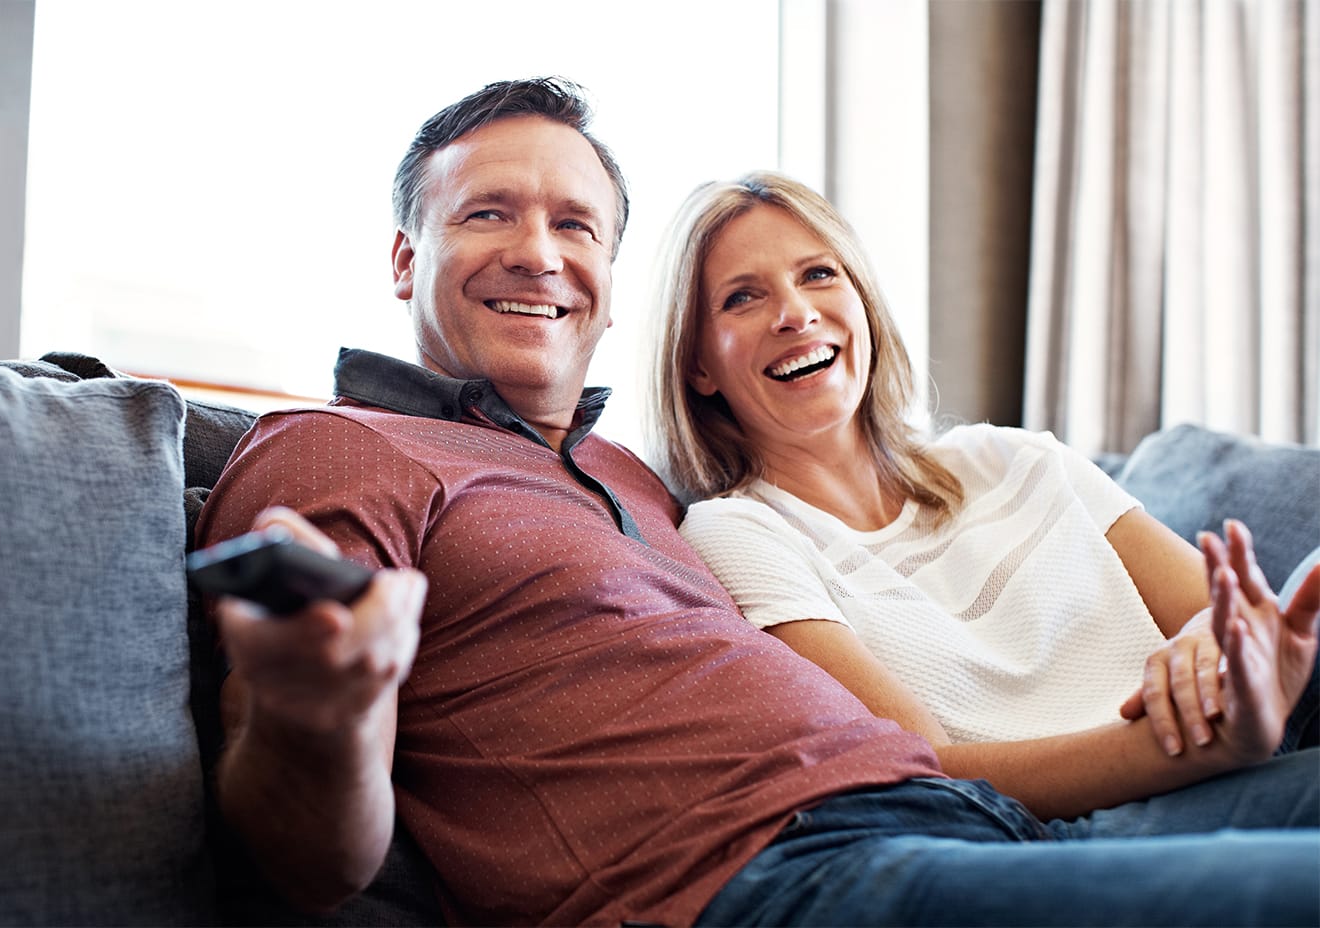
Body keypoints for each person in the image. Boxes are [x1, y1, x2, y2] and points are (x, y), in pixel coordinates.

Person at [197, 79, 1319, 927]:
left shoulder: (636, 484)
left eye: (575, 225)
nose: (538, 255)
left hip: (956, 827)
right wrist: (322, 715)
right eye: (488, 215)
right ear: (404, 259)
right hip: (767, 877)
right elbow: (301, 861)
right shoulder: (333, 447)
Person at [646, 168, 1320, 823]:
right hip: (1092, 820)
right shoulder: (734, 531)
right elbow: (931, 768)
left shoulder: (1013, 457)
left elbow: (1227, 621)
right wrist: (1200, 746)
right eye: (743, 297)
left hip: (1241, 744)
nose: (796, 313)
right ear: (698, 365)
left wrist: (1207, 654)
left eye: (818, 274)